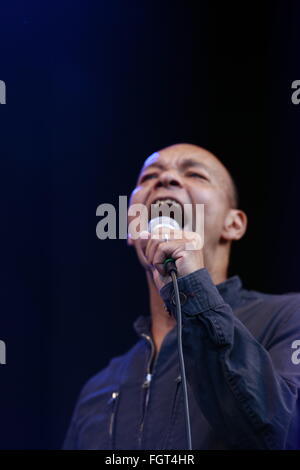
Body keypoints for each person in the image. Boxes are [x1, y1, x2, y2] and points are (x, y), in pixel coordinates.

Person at [63, 143, 300, 450]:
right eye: (150, 176)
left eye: (195, 174)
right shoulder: (98, 390)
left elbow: (285, 436)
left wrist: (192, 288)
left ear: (234, 223)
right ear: (131, 230)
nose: (166, 179)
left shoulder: (288, 319)